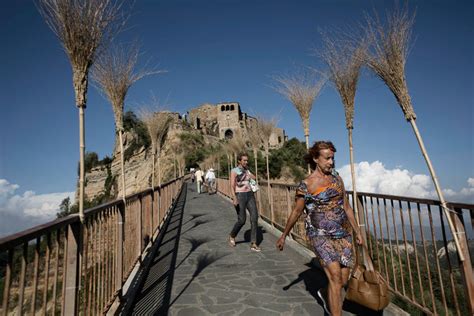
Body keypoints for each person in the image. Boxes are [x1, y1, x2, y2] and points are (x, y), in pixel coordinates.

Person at [276, 141, 362, 316]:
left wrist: (358, 231)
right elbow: (297, 211)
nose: (331, 162)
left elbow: (346, 206)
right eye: (327, 158)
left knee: (343, 279)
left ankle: (324, 292)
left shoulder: (337, 179)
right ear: (316, 159)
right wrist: (284, 234)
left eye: (332, 158)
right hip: (319, 234)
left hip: (342, 232)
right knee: (336, 277)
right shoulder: (306, 185)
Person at [228, 153, 261, 252]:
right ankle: (232, 235)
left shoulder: (247, 170)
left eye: (247, 160)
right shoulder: (234, 171)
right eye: (244, 160)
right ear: (239, 161)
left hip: (250, 194)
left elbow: (254, 178)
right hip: (240, 195)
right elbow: (232, 185)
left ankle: (253, 243)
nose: (246, 162)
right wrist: (234, 197)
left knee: (254, 217)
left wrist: (249, 175)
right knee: (242, 220)